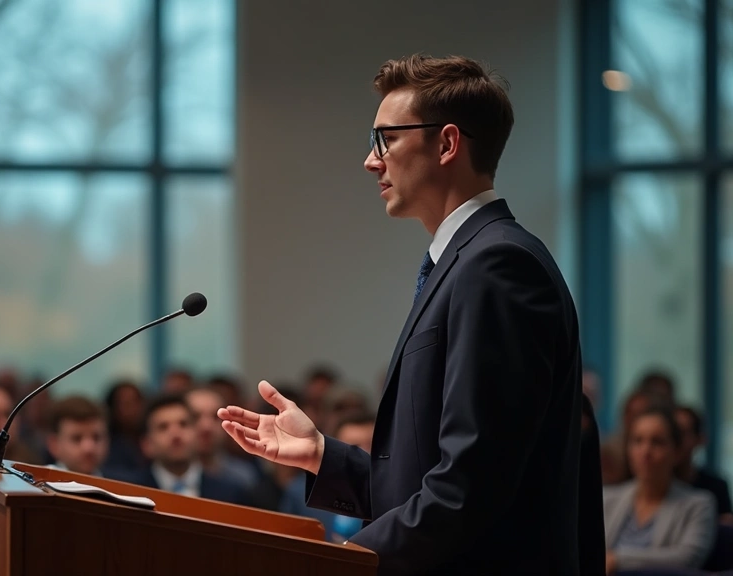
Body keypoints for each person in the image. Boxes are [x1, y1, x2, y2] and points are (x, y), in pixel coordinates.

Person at [218, 54, 602, 574]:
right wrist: (321, 455)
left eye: (386, 139)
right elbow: (436, 476)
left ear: (446, 144)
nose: (371, 160)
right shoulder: (469, 260)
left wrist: (350, 558)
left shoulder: (497, 266)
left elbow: (472, 484)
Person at [603, 408, 716, 574]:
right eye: (637, 441)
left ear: (676, 452)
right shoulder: (606, 498)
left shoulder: (699, 504)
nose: (646, 451)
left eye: (657, 442)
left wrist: (617, 559)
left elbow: (686, 557)